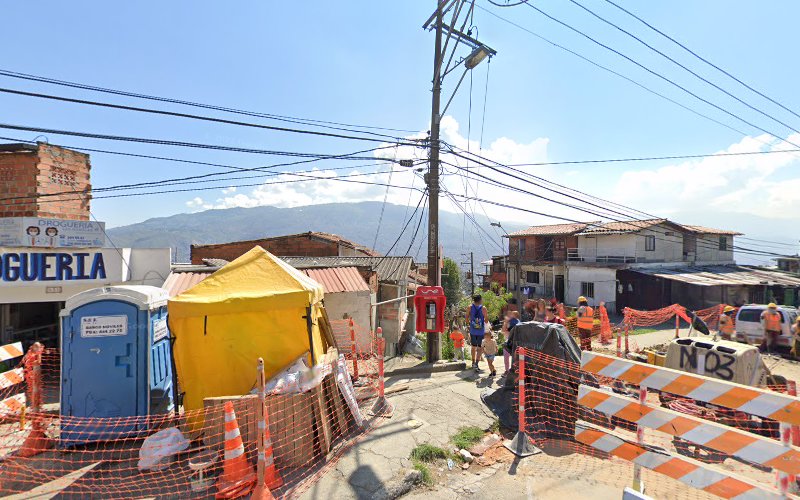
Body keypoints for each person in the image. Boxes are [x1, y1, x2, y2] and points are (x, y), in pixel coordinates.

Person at [467, 294, 488, 371]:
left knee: (473, 347)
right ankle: (476, 363)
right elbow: (486, 320)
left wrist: (470, 325)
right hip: (480, 332)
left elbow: (466, 318)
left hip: (472, 330)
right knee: (479, 348)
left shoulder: (469, 307)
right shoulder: (483, 308)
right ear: (480, 300)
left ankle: (472, 363)